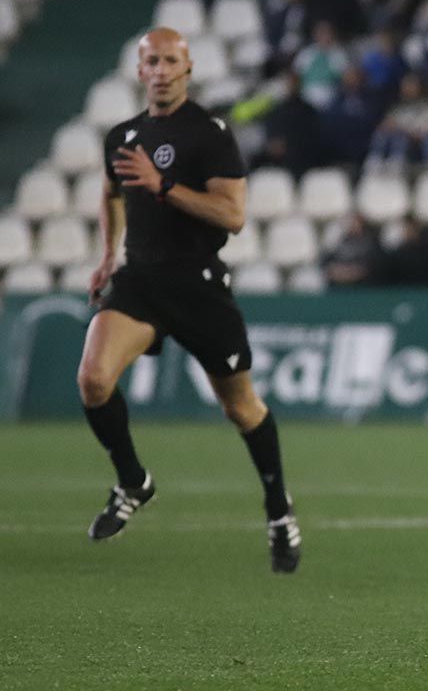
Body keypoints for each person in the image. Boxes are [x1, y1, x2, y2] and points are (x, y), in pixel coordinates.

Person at [78, 28, 301, 573]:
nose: (159, 69)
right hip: (141, 283)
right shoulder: (122, 135)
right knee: (93, 379)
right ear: (139, 70)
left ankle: (279, 511)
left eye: (169, 60)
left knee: (241, 408)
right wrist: (109, 256)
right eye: (150, 60)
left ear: (188, 68)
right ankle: (133, 481)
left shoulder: (211, 134)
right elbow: (110, 193)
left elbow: (233, 216)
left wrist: (163, 186)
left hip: (199, 285)